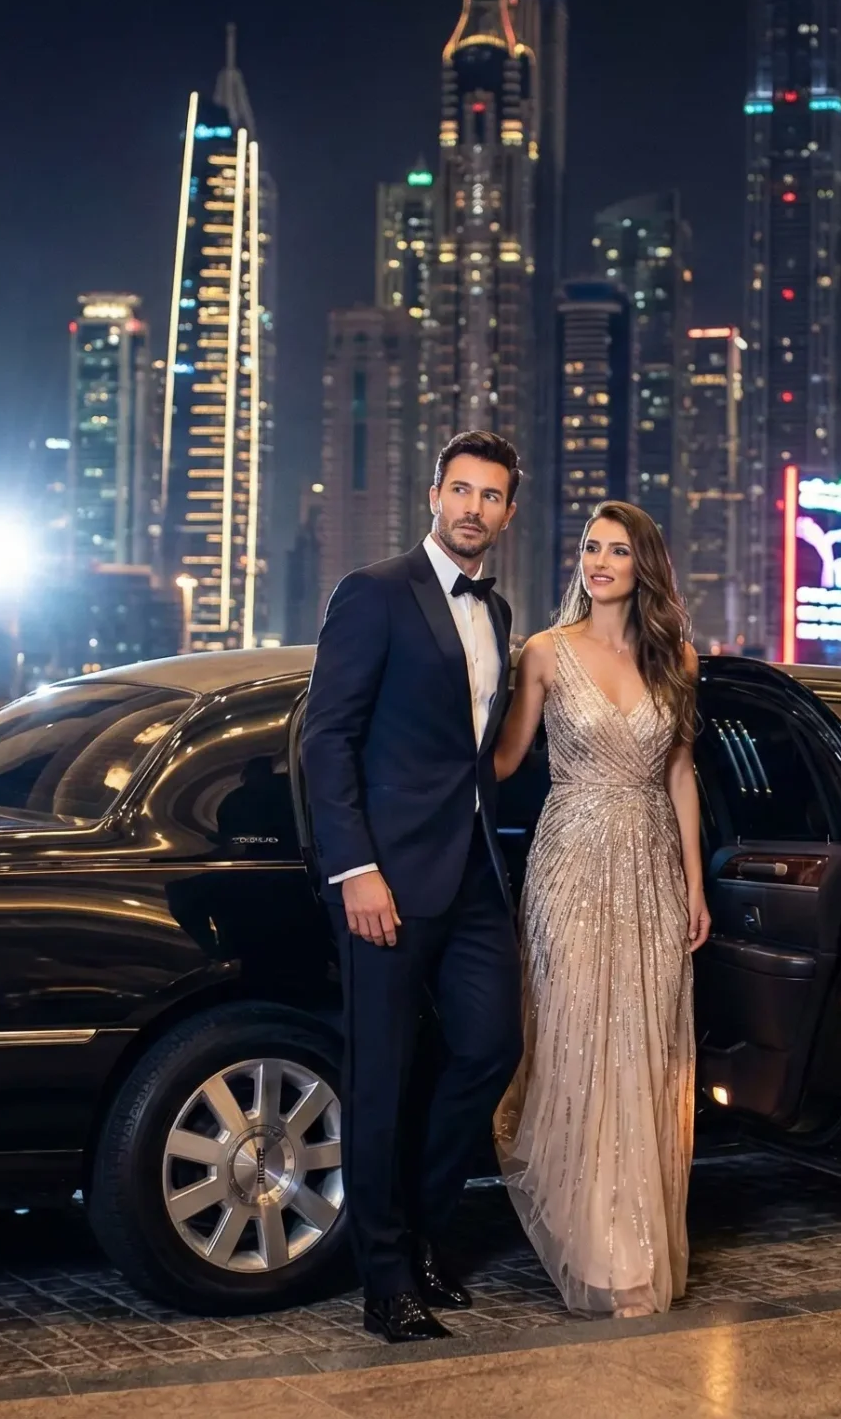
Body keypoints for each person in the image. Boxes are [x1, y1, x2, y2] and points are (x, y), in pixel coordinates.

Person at [300, 430, 527, 1343]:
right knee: (382, 1078)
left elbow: (480, 753)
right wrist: (356, 869)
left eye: (491, 495)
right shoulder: (375, 592)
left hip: (473, 873)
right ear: (434, 495)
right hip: (383, 879)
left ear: (508, 512)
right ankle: (386, 1280)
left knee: (491, 1047)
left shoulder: (497, 612)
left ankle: (427, 1227)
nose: (474, 508)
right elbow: (327, 738)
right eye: (461, 490)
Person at [491, 500, 708, 1318]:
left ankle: (633, 1245)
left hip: (651, 868)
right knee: (576, 1039)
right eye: (591, 546)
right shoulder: (545, 652)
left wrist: (694, 883)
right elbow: (505, 760)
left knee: (640, 1048)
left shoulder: (677, 659)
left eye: (617, 550)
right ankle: (592, 1249)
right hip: (569, 863)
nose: (600, 561)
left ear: (642, 564)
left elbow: (680, 774)